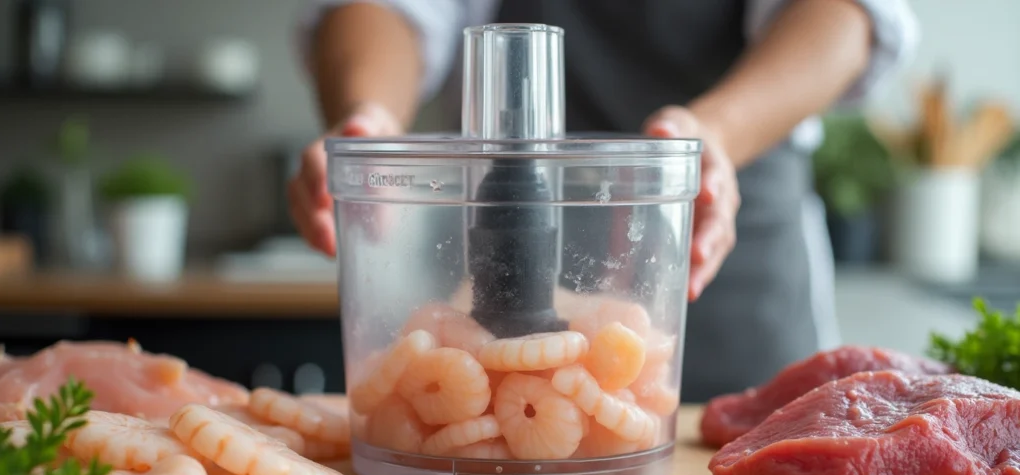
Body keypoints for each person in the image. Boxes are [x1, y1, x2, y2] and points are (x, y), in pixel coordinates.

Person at [288, 0, 918, 402]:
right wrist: (367, 118)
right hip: (488, 273)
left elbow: (849, 12)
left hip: (735, 277)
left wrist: (709, 137)